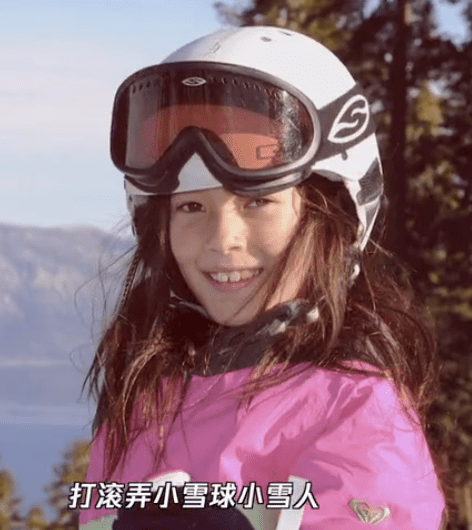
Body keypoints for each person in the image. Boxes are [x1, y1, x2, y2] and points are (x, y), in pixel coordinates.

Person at [78, 25, 446, 530]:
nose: (222, 239)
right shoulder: (147, 394)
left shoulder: (355, 407)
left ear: (332, 213)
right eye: (190, 207)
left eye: (257, 202)